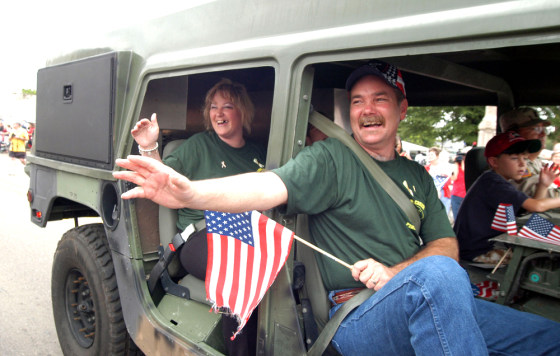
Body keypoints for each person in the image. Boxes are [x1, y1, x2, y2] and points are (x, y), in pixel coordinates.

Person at [114, 60, 560, 355]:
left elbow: (445, 244)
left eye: (379, 99)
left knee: (546, 335)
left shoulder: (420, 177)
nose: (367, 109)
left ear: (402, 109)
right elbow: (267, 186)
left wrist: (396, 272)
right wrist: (191, 195)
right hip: (354, 313)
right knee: (440, 279)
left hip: (415, 291)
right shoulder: (330, 159)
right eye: (358, 101)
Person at [131, 78, 265, 356]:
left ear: (243, 112)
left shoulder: (257, 153)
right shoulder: (198, 146)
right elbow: (162, 178)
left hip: (248, 234)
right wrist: (148, 146)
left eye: (227, 106)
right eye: (213, 107)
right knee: (237, 270)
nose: (218, 113)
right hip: (202, 238)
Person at [454, 132, 560, 266]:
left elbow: (531, 212)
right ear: (494, 162)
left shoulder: (497, 182)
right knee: (545, 257)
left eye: (525, 158)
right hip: (478, 251)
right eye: (515, 158)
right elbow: (536, 206)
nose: (523, 164)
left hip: (487, 246)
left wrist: (543, 185)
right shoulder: (493, 183)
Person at [499, 107, 552, 196]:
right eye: (536, 129)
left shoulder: (536, 161)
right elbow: (539, 196)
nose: (543, 134)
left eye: (544, 129)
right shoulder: (511, 165)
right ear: (514, 134)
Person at [426, 147, 452, 215]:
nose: (429, 156)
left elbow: (449, 179)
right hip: (430, 193)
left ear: (437, 156)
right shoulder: (426, 168)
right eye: (429, 155)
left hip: (443, 193)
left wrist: (439, 188)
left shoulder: (444, 166)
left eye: (432, 155)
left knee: (443, 214)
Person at [450, 153, 466, 220]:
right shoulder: (457, 166)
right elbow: (454, 178)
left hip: (466, 195)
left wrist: (463, 162)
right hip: (456, 194)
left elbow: (464, 170)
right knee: (456, 217)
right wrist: (456, 163)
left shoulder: (470, 168)